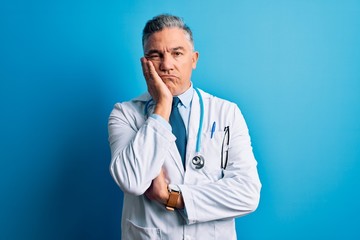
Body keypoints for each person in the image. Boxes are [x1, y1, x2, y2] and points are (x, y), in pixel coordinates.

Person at [108, 14, 261, 240]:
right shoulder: (125, 114)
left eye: (177, 53)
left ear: (194, 59)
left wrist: (173, 197)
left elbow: (247, 194)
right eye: (155, 55)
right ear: (145, 63)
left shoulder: (226, 112)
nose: (167, 65)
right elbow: (132, 180)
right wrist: (163, 105)